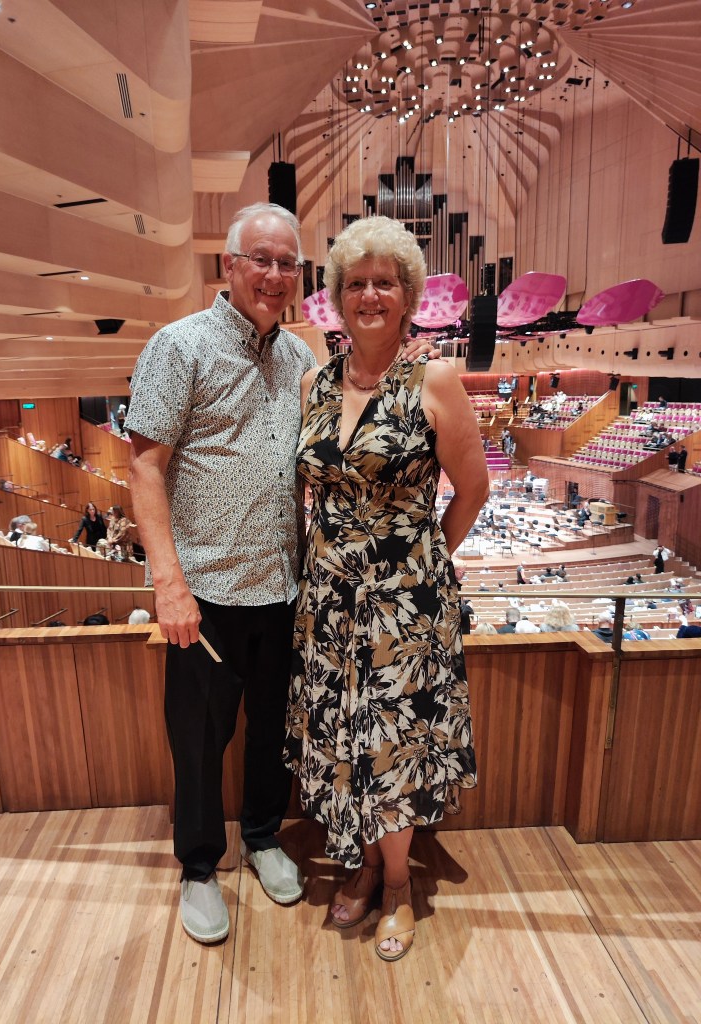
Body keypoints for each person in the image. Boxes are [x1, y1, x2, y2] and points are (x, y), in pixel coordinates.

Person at [127, 203, 440, 947]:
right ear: (229, 265)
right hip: (204, 594)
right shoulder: (179, 346)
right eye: (260, 260)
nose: (273, 275)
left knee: (275, 732)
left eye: (286, 264)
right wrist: (168, 584)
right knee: (199, 741)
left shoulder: (303, 359)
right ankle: (199, 867)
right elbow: (144, 467)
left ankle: (264, 835)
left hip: (288, 590)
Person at [283, 215, 488, 963]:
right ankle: (366, 865)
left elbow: (472, 490)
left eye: (385, 282)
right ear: (337, 298)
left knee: (392, 744)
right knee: (346, 739)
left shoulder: (434, 380)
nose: (369, 295)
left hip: (406, 607)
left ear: (408, 296)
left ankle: (397, 884)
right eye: (356, 283)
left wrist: (419, 565)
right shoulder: (313, 383)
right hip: (328, 604)